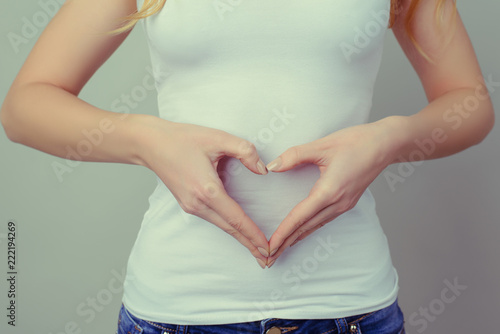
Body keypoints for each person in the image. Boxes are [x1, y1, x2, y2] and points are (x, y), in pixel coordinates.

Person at [0, 0, 494, 333]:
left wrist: (389, 138)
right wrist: (148, 138)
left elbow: (469, 103)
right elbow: (25, 107)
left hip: (348, 308)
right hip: (178, 310)